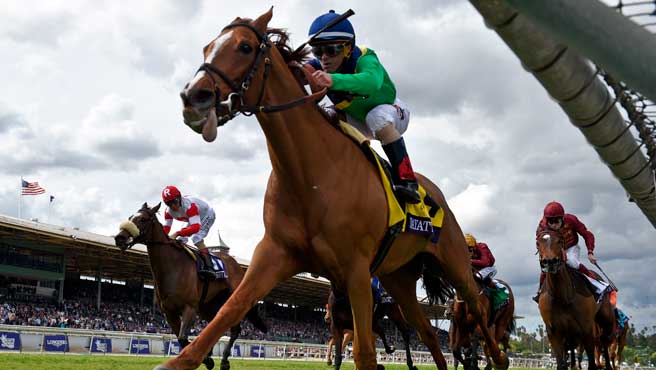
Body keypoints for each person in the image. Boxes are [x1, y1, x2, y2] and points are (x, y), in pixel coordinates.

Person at [305, 10, 421, 204]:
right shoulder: (318, 65)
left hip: (392, 112)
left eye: (331, 50)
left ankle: (408, 181)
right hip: (357, 119)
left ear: (348, 48)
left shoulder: (366, 57)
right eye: (318, 51)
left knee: (376, 117)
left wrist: (332, 80)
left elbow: (371, 82)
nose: (324, 58)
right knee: (326, 117)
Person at [533, 201, 610, 302]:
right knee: (546, 267)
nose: (554, 225)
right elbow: (540, 243)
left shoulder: (571, 220)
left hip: (570, 247)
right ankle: (540, 292)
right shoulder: (542, 227)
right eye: (550, 221)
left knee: (572, 263)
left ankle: (597, 285)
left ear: (562, 218)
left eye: (556, 221)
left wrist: (590, 252)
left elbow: (587, 235)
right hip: (554, 249)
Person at [161, 185, 216, 277]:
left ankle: (210, 267)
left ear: (179, 198)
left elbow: (195, 228)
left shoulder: (189, 205)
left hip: (207, 214)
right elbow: (166, 229)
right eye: (169, 204)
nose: (173, 206)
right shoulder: (168, 212)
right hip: (194, 219)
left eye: (174, 202)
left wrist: (177, 233)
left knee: (196, 237)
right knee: (181, 240)